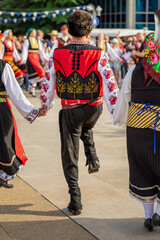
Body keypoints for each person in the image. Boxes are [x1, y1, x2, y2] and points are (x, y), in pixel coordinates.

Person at [40, 10, 119, 216]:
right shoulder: (99, 53)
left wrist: (45, 105)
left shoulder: (57, 53)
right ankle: (92, 155)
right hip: (94, 108)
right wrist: (116, 113)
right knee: (85, 125)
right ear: (89, 30)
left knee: (69, 154)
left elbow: (48, 82)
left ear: (69, 30)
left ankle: (75, 199)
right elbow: (111, 84)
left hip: (70, 109)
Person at [113, 9, 160, 232]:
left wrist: (120, 119)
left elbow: (125, 97)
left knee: (142, 169)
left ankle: (149, 217)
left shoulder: (134, 69)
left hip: (138, 128)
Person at [0, 32, 46, 188]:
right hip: (1, 109)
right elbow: (16, 94)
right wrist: (34, 111)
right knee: (4, 142)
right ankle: (3, 175)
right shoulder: (3, 67)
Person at [21, 28, 48, 97]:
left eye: (35, 32)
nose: (35, 33)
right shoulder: (27, 41)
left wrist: (45, 58)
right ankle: (33, 90)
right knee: (37, 73)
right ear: (30, 33)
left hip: (37, 58)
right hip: (30, 59)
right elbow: (25, 50)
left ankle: (32, 90)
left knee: (37, 74)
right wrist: (23, 59)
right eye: (34, 32)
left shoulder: (37, 40)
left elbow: (41, 50)